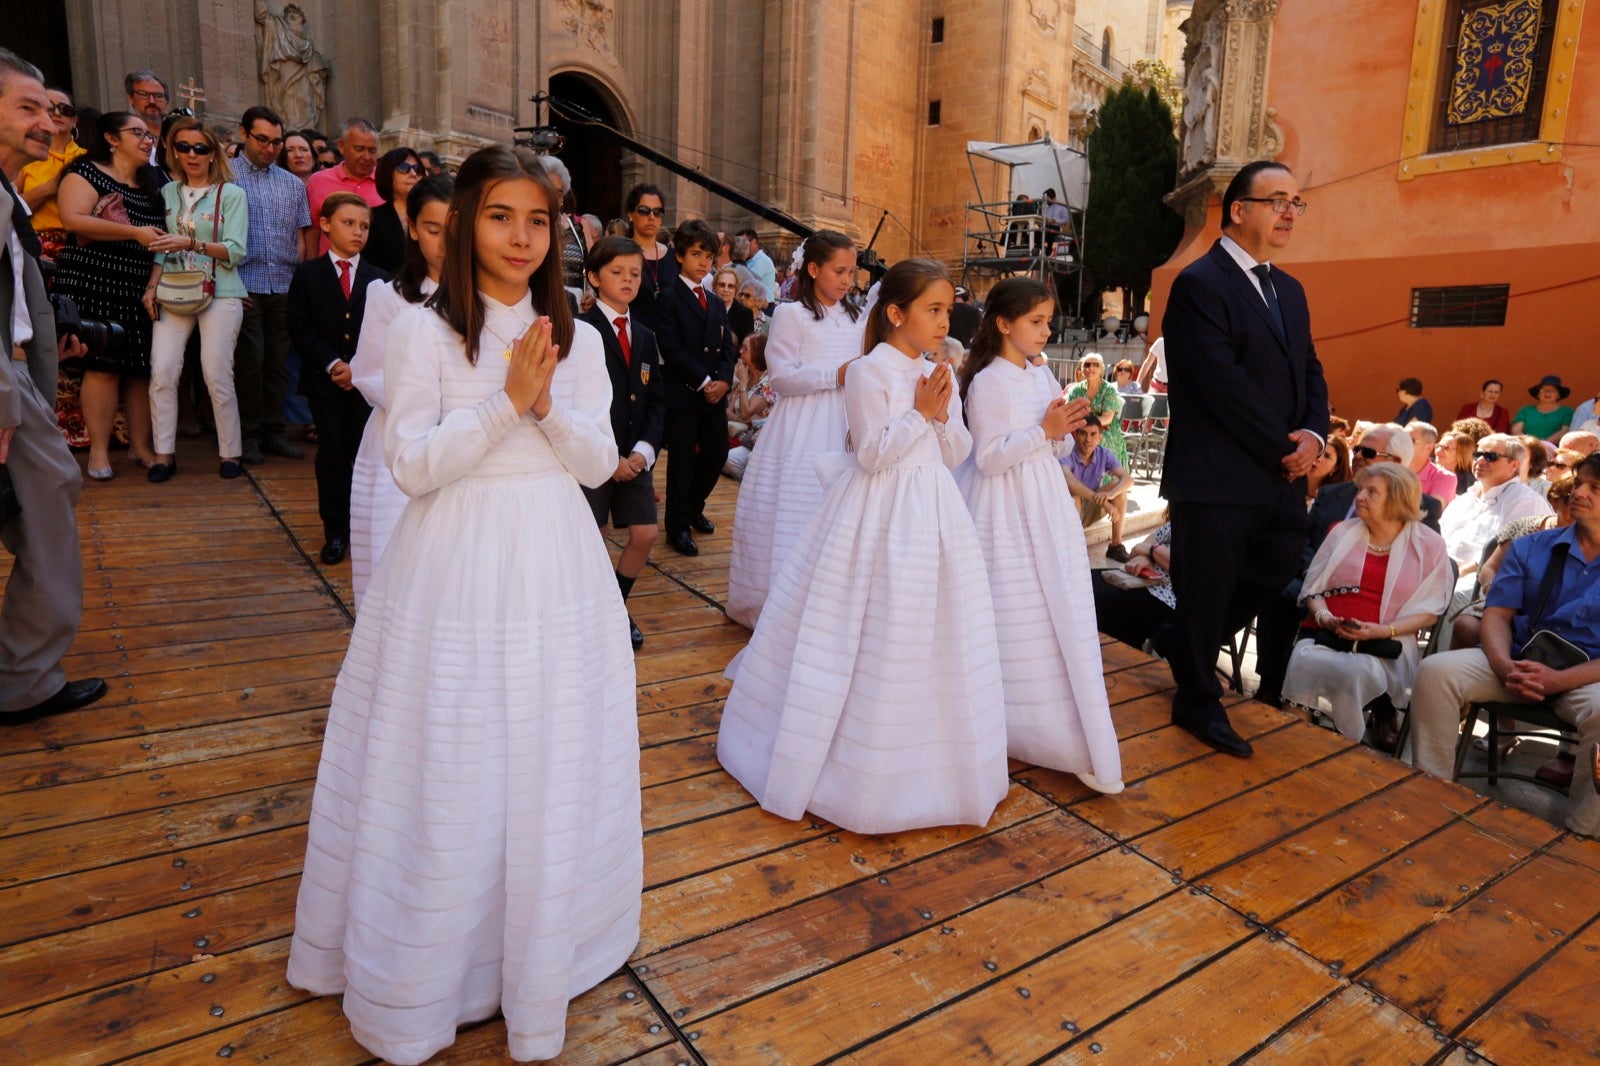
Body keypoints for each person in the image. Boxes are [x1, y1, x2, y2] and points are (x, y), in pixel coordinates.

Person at [286, 145, 640, 1064]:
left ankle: (545, 945)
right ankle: (445, 961)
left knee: (547, 745)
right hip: (453, 561)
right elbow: (409, 465)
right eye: (498, 217)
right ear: (462, 221)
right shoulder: (421, 330)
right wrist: (503, 406)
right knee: (455, 746)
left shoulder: (584, 337)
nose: (520, 239)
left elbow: (599, 463)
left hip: (557, 560)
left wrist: (545, 404)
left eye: (537, 221)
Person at [716, 257, 1009, 833]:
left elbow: (955, 452)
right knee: (872, 620)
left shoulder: (931, 369)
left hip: (933, 510)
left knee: (933, 626)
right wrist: (921, 414)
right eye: (933, 309)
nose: (943, 320)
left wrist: (941, 416)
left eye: (948, 309)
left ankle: (927, 758)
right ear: (896, 313)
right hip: (880, 510)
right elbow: (871, 453)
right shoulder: (871, 372)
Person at [1160, 160, 1329, 757]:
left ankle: (1186, 647)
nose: (1290, 212)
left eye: (1296, 202)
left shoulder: (1290, 289)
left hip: (1277, 476)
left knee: (1278, 563)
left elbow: (1309, 367)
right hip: (1217, 476)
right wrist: (1285, 448)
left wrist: (1314, 433)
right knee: (1206, 591)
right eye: (1278, 200)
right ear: (1239, 210)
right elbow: (1217, 383)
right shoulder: (1200, 284)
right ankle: (1198, 702)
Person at [954, 277, 1117, 792]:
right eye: (1037, 322)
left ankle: (1052, 722)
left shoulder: (1042, 378)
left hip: (1044, 502)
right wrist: (1044, 432)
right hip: (1002, 510)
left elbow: (1060, 453)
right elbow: (988, 457)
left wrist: (1062, 434)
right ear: (1004, 324)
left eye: (1048, 321)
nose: (1047, 331)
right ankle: (1004, 719)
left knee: (1058, 605)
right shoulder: (989, 382)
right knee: (1011, 603)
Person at [1410, 453, 1600, 840]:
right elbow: (1496, 614)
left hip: (1585, 677)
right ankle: (1428, 795)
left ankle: (1582, 835)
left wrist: (1559, 680)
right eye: (1579, 482)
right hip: (1517, 662)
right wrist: (1504, 666)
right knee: (1436, 671)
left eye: (1594, 488)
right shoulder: (1534, 546)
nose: (1577, 492)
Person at [0, 47, 106, 722]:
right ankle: (25, 682)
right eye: (27, 107)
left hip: (17, 378)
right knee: (45, 521)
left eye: (52, 108)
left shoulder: (9, 192)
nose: (48, 120)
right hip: (4, 391)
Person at [726, 230, 864, 624]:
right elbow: (782, 378)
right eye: (839, 270)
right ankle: (780, 609)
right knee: (798, 508)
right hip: (801, 424)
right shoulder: (791, 314)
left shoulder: (855, 316)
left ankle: (827, 609)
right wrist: (835, 374)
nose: (846, 280)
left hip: (844, 421)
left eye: (852, 272)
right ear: (815, 269)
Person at [1282, 463, 1454, 744]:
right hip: (1328, 633)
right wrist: (1325, 616)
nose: (1359, 496)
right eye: (1360, 489)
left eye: (1372, 492)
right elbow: (1314, 587)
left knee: (1357, 670)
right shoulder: (1341, 531)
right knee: (1303, 658)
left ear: (1397, 499)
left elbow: (1429, 611)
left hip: (1387, 641)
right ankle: (1292, 740)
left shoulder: (1429, 545)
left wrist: (1382, 631)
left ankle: (1346, 746)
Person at [346, 175, 451, 611]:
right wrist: (430, 407)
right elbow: (368, 372)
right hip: (402, 439)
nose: (446, 242)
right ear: (412, 227)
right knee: (397, 560)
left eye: (456, 229)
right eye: (433, 228)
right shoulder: (387, 295)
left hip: (468, 440)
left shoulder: (487, 299)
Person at [53, 110, 168, 479]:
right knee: (102, 366)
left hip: (137, 287)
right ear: (111, 138)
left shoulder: (153, 186)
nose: (147, 139)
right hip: (92, 281)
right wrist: (135, 233)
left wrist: (153, 284)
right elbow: (72, 219)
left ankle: (140, 447)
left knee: (139, 370)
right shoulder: (84, 172)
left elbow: (163, 242)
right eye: (137, 132)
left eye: (149, 134)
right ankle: (99, 452)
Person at [145, 117, 249, 481]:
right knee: (162, 370)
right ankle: (163, 454)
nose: (192, 154)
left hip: (221, 288)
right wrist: (151, 287)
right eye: (184, 147)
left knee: (216, 372)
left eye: (200, 148)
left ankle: (230, 453)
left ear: (212, 153)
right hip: (173, 287)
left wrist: (191, 242)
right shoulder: (168, 193)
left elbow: (236, 251)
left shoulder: (231, 194)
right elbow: (160, 247)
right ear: (173, 151)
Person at [286, 192, 386, 565]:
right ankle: (336, 532)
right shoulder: (308, 274)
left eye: (364, 226)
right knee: (332, 453)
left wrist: (358, 369)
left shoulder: (379, 279)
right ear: (326, 225)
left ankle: (366, 527)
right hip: (324, 382)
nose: (358, 232)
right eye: (349, 223)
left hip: (365, 385)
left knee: (365, 451)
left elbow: (382, 331)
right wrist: (332, 364)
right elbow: (299, 325)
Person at [578, 235, 666, 650]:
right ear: (594, 277)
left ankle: (615, 603)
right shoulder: (581, 331)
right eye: (617, 272)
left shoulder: (645, 336)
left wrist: (643, 451)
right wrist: (608, 456)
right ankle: (593, 613)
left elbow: (655, 400)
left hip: (634, 456)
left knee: (645, 533)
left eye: (635, 273)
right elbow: (574, 401)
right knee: (590, 537)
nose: (628, 280)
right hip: (593, 456)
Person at [233, 105, 313, 466]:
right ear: (243, 134)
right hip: (242, 282)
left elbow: (301, 235)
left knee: (277, 363)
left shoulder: (293, 184)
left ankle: (274, 432)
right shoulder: (226, 175)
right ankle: (248, 436)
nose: (270, 148)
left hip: (283, 283)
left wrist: (302, 281)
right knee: (250, 361)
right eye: (262, 139)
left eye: (276, 142)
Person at [654, 219, 736, 557]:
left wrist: (725, 380)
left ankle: (693, 507)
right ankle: (677, 525)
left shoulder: (716, 303)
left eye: (708, 256)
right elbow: (672, 350)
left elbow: (728, 348)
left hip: (714, 394)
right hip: (685, 393)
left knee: (717, 453)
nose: (703, 262)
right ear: (680, 256)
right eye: (696, 254)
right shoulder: (669, 298)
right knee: (683, 461)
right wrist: (704, 382)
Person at [1438, 433, 1553, 578]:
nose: (1480, 461)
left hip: (1478, 581)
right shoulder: (1464, 499)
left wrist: (1455, 575)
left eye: (1491, 456)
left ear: (1514, 465)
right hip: (1439, 572)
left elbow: (1505, 556)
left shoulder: (1526, 501)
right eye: (1477, 454)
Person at [16, 86, 84, 262]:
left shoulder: (88, 158)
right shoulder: (25, 157)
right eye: (50, 107)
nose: (57, 113)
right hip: (37, 247)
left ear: (75, 120)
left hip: (84, 245)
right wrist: (48, 189)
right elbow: (12, 209)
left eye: (65, 109)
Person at [304, 117, 381, 252]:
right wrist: (312, 270)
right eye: (359, 149)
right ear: (341, 146)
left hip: (377, 270)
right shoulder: (318, 182)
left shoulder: (385, 181)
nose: (367, 157)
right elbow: (313, 233)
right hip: (329, 270)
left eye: (372, 151)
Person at [1062, 419, 1134, 561]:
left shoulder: (1104, 454)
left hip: (1090, 508)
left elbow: (1128, 479)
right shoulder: (1067, 452)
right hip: (1067, 511)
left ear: (1100, 437)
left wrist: (1110, 494)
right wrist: (1103, 502)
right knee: (1074, 496)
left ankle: (1116, 546)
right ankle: (1075, 547)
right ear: (1076, 435)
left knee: (1118, 488)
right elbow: (1068, 481)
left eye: (1093, 434)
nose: (1088, 439)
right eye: (1083, 434)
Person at [361, 146, 422, 275]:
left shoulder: (430, 213)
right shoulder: (373, 217)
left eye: (417, 168)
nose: (413, 174)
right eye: (404, 168)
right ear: (387, 173)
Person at [622, 183, 672, 331]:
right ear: (631, 214)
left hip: (669, 339)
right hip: (634, 335)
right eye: (644, 211)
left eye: (657, 212)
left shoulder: (673, 256)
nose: (651, 217)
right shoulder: (620, 253)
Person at [724, 332, 773, 480]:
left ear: (757, 353)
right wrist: (743, 420)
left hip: (759, 439)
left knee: (750, 462)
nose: (740, 352)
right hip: (744, 435)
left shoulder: (767, 381)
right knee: (727, 459)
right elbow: (728, 410)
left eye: (745, 349)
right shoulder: (746, 375)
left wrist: (743, 383)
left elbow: (746, 413)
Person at [1512, 375, 1575, 443]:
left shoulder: (1567, 411)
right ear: (1538, 394)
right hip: (1527, 448)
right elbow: (1516, 430)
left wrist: (1544, 444)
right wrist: (1530, 444)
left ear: (1559, 395)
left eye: (1552, 390)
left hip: (1554, 450)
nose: (1547, 393)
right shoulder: (1525, 410)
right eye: (1543, 389)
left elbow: (1564, 431)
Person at [1405, 421, 1457, 504]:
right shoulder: (1390, 468)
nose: (1403, 443)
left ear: (1428, 448)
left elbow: (1434, 508)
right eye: (1402, 438)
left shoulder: (1444, 477)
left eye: (1411, 440)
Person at [1305, 434, 1351, 508]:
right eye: (1318, 451)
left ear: (1336, 467)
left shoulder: (1333, 503)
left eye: (1327, 456)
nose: (1319, 458)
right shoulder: (1288, 483)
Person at [736, 226, 776, 302]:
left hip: (764, 306)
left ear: (754, 242)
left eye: (744, 243)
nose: (741, 247)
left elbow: (746, 282)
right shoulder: (748, 260)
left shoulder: (763, 260)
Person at [1436, 429, 1476, 496]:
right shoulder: (1425, 466)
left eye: (1447, 448)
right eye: (1438, 446)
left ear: (1461, 454)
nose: (1438, 451)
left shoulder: (1469, 482)